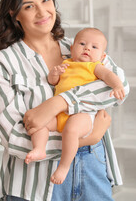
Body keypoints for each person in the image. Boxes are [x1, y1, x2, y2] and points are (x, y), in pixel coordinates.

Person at [0, 0, 129, 201]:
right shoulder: (4, 62)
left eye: (46, 0)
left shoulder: (82, 47)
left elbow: (120, 87)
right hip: (33, 182)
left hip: (92, 168)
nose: (42, 12)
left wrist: (60, 102)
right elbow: (11, 135)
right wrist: (88, 139)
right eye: (29, 6)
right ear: (14, 14)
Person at [25, 28, 126, 185]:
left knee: (71, 130)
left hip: (83, 114)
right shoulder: (66, 64)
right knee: (40, 124)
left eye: (94, 47)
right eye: (82, 44)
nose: (87, 48)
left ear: (102, 56)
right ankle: (39, 148)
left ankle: (64, 167)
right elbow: (53, 82)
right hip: (60, 114)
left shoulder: (94, 66)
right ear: (72, 49)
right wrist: (55, 74)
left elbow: (108, 76)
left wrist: (117, 86)